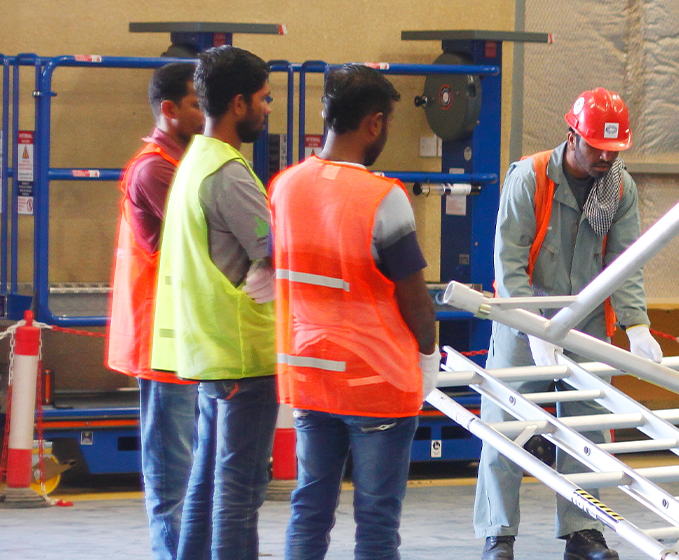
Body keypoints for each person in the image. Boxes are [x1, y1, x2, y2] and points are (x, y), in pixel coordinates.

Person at [475, 87, 653, 560]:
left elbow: (625, 261)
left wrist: (637, 324)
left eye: (613, 150)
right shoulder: (530, 178)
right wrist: (534, 329)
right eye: (596, 146)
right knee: (505, 425)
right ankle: (499, 533)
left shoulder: (616, 186)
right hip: (523, 320)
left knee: (589, 430)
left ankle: (582, 531)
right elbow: (508, 263)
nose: (604, 157)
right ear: (571, 134)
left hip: (588, 322)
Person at [270, 64, 438, 560]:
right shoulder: (383, 199)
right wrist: (428, 359)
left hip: (308, 375)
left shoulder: (284, 186)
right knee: (377, 521)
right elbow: (416, 302)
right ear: (374, 124)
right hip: (376, 383)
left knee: (310, 507)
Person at [151, 45, 277, 560]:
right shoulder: (228, 173)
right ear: (240, 103)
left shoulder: (192, 163)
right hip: (241, 352)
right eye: (266, 99)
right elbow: (275, 251)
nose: (270, 109)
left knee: (206, 480)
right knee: (239, 489)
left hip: (209, 351)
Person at [106, 61, 203, 560]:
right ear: (168, 110)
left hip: (183, 339)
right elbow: (208, 241)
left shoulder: (182, 162)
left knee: (188, 463)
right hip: (161, 342)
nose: (205, 113)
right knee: (171, 469)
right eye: (195, 104)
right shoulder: (156, 168)